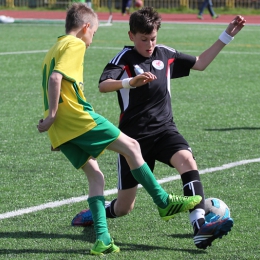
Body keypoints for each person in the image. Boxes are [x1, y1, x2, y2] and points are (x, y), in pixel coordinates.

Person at [72, 7, 246, 250]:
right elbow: (103, 85)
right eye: (144, 39)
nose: (150, 44)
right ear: (132, 36)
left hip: (165, 131)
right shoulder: (124, 59)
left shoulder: (165, 54)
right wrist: (129, 82)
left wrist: (227, 35)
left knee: (187, 159)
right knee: (125, 207)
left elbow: (201, 63)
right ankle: (96, 211)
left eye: (153, 38)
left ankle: (199, 228)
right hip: (132, 141)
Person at [37, 3, 202, 255]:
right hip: (76, 118)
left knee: (97, 177)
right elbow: (56, 78)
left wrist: (55, 126)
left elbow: (51, 80)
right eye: (94, 33)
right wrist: (53, 116)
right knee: (132, 146)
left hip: (62, 128)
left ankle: (102, 238)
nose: (92, 39)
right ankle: (163, 201)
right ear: (85, 28)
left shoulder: (54, 48)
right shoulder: (75, 44)